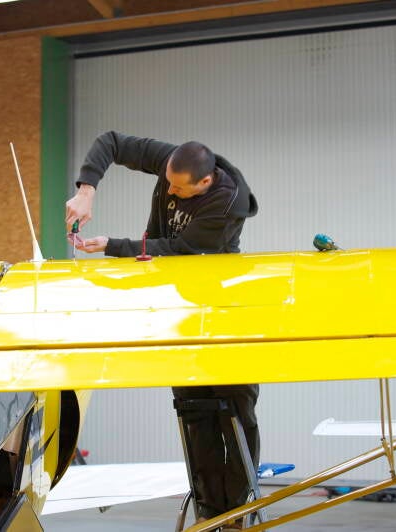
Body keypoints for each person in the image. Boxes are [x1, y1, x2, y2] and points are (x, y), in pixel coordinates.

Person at [65, 131, 260, 528]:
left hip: (221, 308)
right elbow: (112, 143)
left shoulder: (227, 205)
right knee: (193, 409)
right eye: (166, 182)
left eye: (177, 188)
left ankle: (239, 509)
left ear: (204, 183)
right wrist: (87, 190)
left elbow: (176, 250)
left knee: (234, 409)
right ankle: (208, 507)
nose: (168, 190)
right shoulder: (174, 162)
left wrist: (110, 245)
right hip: (180, 306)